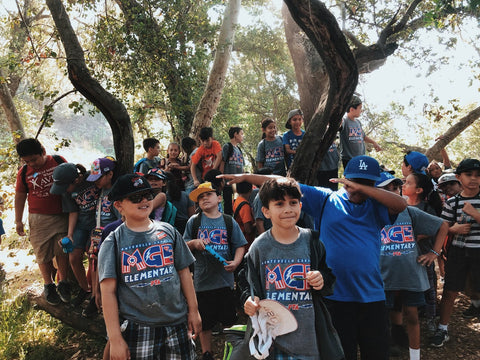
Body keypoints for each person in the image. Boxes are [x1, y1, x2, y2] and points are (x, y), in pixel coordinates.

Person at [219, 155, 407, 360]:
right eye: (353, 181)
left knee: (377, 353)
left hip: (371, 295)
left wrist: (362, 188)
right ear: (344, 178)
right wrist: (246, 175)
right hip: (335, 297)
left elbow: (401, 204)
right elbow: (283, 183)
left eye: (365, 183)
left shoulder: (376, 205)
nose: (356, 188)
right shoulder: (327, 199)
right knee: (342, 353)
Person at [98, 174, 201, 360]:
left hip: (177, 323)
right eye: (136, 197)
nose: (144, 200)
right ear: (119, 205)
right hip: (139, 326)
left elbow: (184, 273)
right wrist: (114, 339)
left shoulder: (168, 231)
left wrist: (193, 310)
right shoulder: (113, 242)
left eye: (148, 195)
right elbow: (108, 292)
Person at [241, 177, 344, 359]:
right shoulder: (258, 248)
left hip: (310, 339)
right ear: (266, 211)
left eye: (293, 202)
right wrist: (248, 301)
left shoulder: (312, 241)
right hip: (273, 342)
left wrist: (321, 279)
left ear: (300, 206)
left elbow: (328, 279)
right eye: (279, 204)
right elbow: (246, 285)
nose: (288, 209)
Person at [377, 171, 448, 360]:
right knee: (383, 318)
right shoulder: (371, 215)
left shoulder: (409, 212)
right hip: (382, 277)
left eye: (395, 188)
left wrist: (434, 253)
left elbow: (443, 226)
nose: (392, 192)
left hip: (411, 275)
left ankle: (415, 356)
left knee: (413, 315)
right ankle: (386, 348)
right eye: (386, 189)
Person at [183, 182, 247, 360]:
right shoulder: (194, 222)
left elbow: (240, 245)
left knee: (228, 320)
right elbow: (183, 245)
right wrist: (194, 243)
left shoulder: (228, 221)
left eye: (208, 195)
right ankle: (206, 353)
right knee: (205, 322)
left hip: (225, 281)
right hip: (202, 282)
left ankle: (233, 349)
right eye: (200, 197)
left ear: (219, 198)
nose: (204, 199)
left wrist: (235, 262)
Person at [14, 138, 70, 305]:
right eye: (27, 161)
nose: (32, 164)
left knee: (62, 250)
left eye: (34, 159)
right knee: (42, 252)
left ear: (43, 151)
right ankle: (49, 285)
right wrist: (18, 220)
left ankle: (64, 282)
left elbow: (73, 181)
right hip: (38, 218)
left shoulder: (59, 162)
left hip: (62, 214)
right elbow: (20, 196)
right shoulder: (24, 172)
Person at [431, 158, 480, 348]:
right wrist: (454, 229)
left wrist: (474, 213)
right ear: (459, 177)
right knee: (451, 290)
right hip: (458, 251)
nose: (474, 179)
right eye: (469, 175)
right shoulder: (453, 202)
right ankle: (442, 329)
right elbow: (444, 227)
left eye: (478, 175)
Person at [50, 162, 99, 309]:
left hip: (97, 225)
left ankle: (95, 293)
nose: (64, 190)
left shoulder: (93, 179)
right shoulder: (67, 192)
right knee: (73, 257)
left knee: (93, 257)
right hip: (81, 225)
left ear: (77, 180)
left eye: (65, 186)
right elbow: (73, 212)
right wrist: (70, 234)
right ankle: (85, 289)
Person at [339, 95, 381, 168]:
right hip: (349, 159)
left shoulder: (358, 122)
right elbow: (339, 127)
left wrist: (374, 142)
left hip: (361, 159)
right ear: (352, 109)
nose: (361, 110)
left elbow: (363, 136)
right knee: (351, 179)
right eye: (360, 108)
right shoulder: (345, 121)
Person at [220, 126, 245, 215]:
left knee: (238, 203)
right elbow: (223, 162)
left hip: (238, 182)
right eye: (241, 134)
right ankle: (229, 223)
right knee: (228, 205)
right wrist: (222, 178)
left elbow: (242, 167)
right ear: (235, 134)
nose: (243, 136)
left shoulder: (239, 150)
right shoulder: (227, 147)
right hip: (228, 182)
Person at [232, 181, 255, 248]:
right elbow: (248, 229)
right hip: (246, 244)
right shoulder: (245, 206)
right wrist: (257, 223)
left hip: (239, 240)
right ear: (251, 190)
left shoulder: (237, 200)